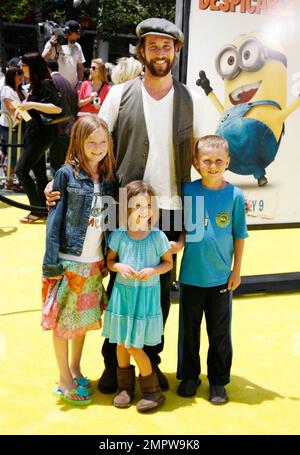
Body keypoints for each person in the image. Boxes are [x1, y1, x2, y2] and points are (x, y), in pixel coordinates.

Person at [44, 17, 202, 393]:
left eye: (167, 46)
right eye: (153, 46)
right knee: (118, 286)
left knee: (158, 291)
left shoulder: (190, 97)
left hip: (171, 207)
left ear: (176, 51)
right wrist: (60, 178)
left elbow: (199, 153)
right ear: (142, 51)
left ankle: (151, 364)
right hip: (124, 207)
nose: (160, 53)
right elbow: (94, 142)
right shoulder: (119, 94)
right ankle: (116, 366)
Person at [41, 116, 116, 406]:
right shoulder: (65, 175)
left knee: (83, 322)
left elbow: (108, 221)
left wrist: (108, 258)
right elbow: (54, 221)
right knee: (62, 323)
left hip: (94, 263)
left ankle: (75, 369)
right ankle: (63, 379)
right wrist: (52, 265)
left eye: (102, 142)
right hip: (68, 262)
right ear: (78, 143)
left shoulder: (109, 178)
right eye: (91, 142)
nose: (97, 148)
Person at [175, 135, 248, 403]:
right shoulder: (188, 191)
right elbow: (182, 228)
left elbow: (239, 234)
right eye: (207, 161)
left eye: (219, 161)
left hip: (220, 279)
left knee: (219, 334)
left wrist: (236, 270)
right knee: (189, 332)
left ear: (228, 162)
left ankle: (218, 381)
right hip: (192, 277)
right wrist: (177, 243)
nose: (213, 166)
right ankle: (190, 376)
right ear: (196, 162)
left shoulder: (235, 195)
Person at [102, 180, 173, 411]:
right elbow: (110, 261)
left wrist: (153, 270)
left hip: (145, 298)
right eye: (137, 205)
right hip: (123, 297)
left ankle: (152, 390)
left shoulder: (158, 237)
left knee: (134, 345)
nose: (143, 211)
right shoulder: (120, 235)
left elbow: (167, 264)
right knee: (121, 343)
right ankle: (125, 388)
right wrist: (118, 267)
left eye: (147, 205)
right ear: (127, 208)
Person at [16, 52, 62, 223]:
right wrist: (23, 112)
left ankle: (35, 210)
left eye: (23, 65)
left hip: (41, 135)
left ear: (32, 66)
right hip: (34, 133)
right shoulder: (35, 85)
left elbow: (57, 108)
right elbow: (35, 112)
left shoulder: (45, 83)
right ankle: (43, 209)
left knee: (21, 171)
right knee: (39, 173)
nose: (21, 68)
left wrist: (31, 104)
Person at [47, 60, 78, 174]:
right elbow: (76, 105)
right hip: (70, 127)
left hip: (57, 127)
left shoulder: (50, 82)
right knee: (66, 162)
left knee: (55, 164)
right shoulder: (68, 83)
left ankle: (57, 189)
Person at [0, 66, 26, 191]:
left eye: (22, 73)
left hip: (20, 126)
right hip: (10, 127)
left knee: (17, 154)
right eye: (18, 73)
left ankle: (11, 180)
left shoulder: (20, 90)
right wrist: (24, 110)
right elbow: (11, 107)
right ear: (11, 76)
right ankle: (9, 182)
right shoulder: (7, 89)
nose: (21, 75)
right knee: (11, 154)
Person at [42, 20, 85, 90]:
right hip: (55, 88)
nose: (79, 36)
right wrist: (51, 45)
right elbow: (41, 60)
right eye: (77, 33)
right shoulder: (52, 44)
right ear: (69, 32)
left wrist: (79, 83)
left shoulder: (77, 46)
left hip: (72, 88)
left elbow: (80, 67)